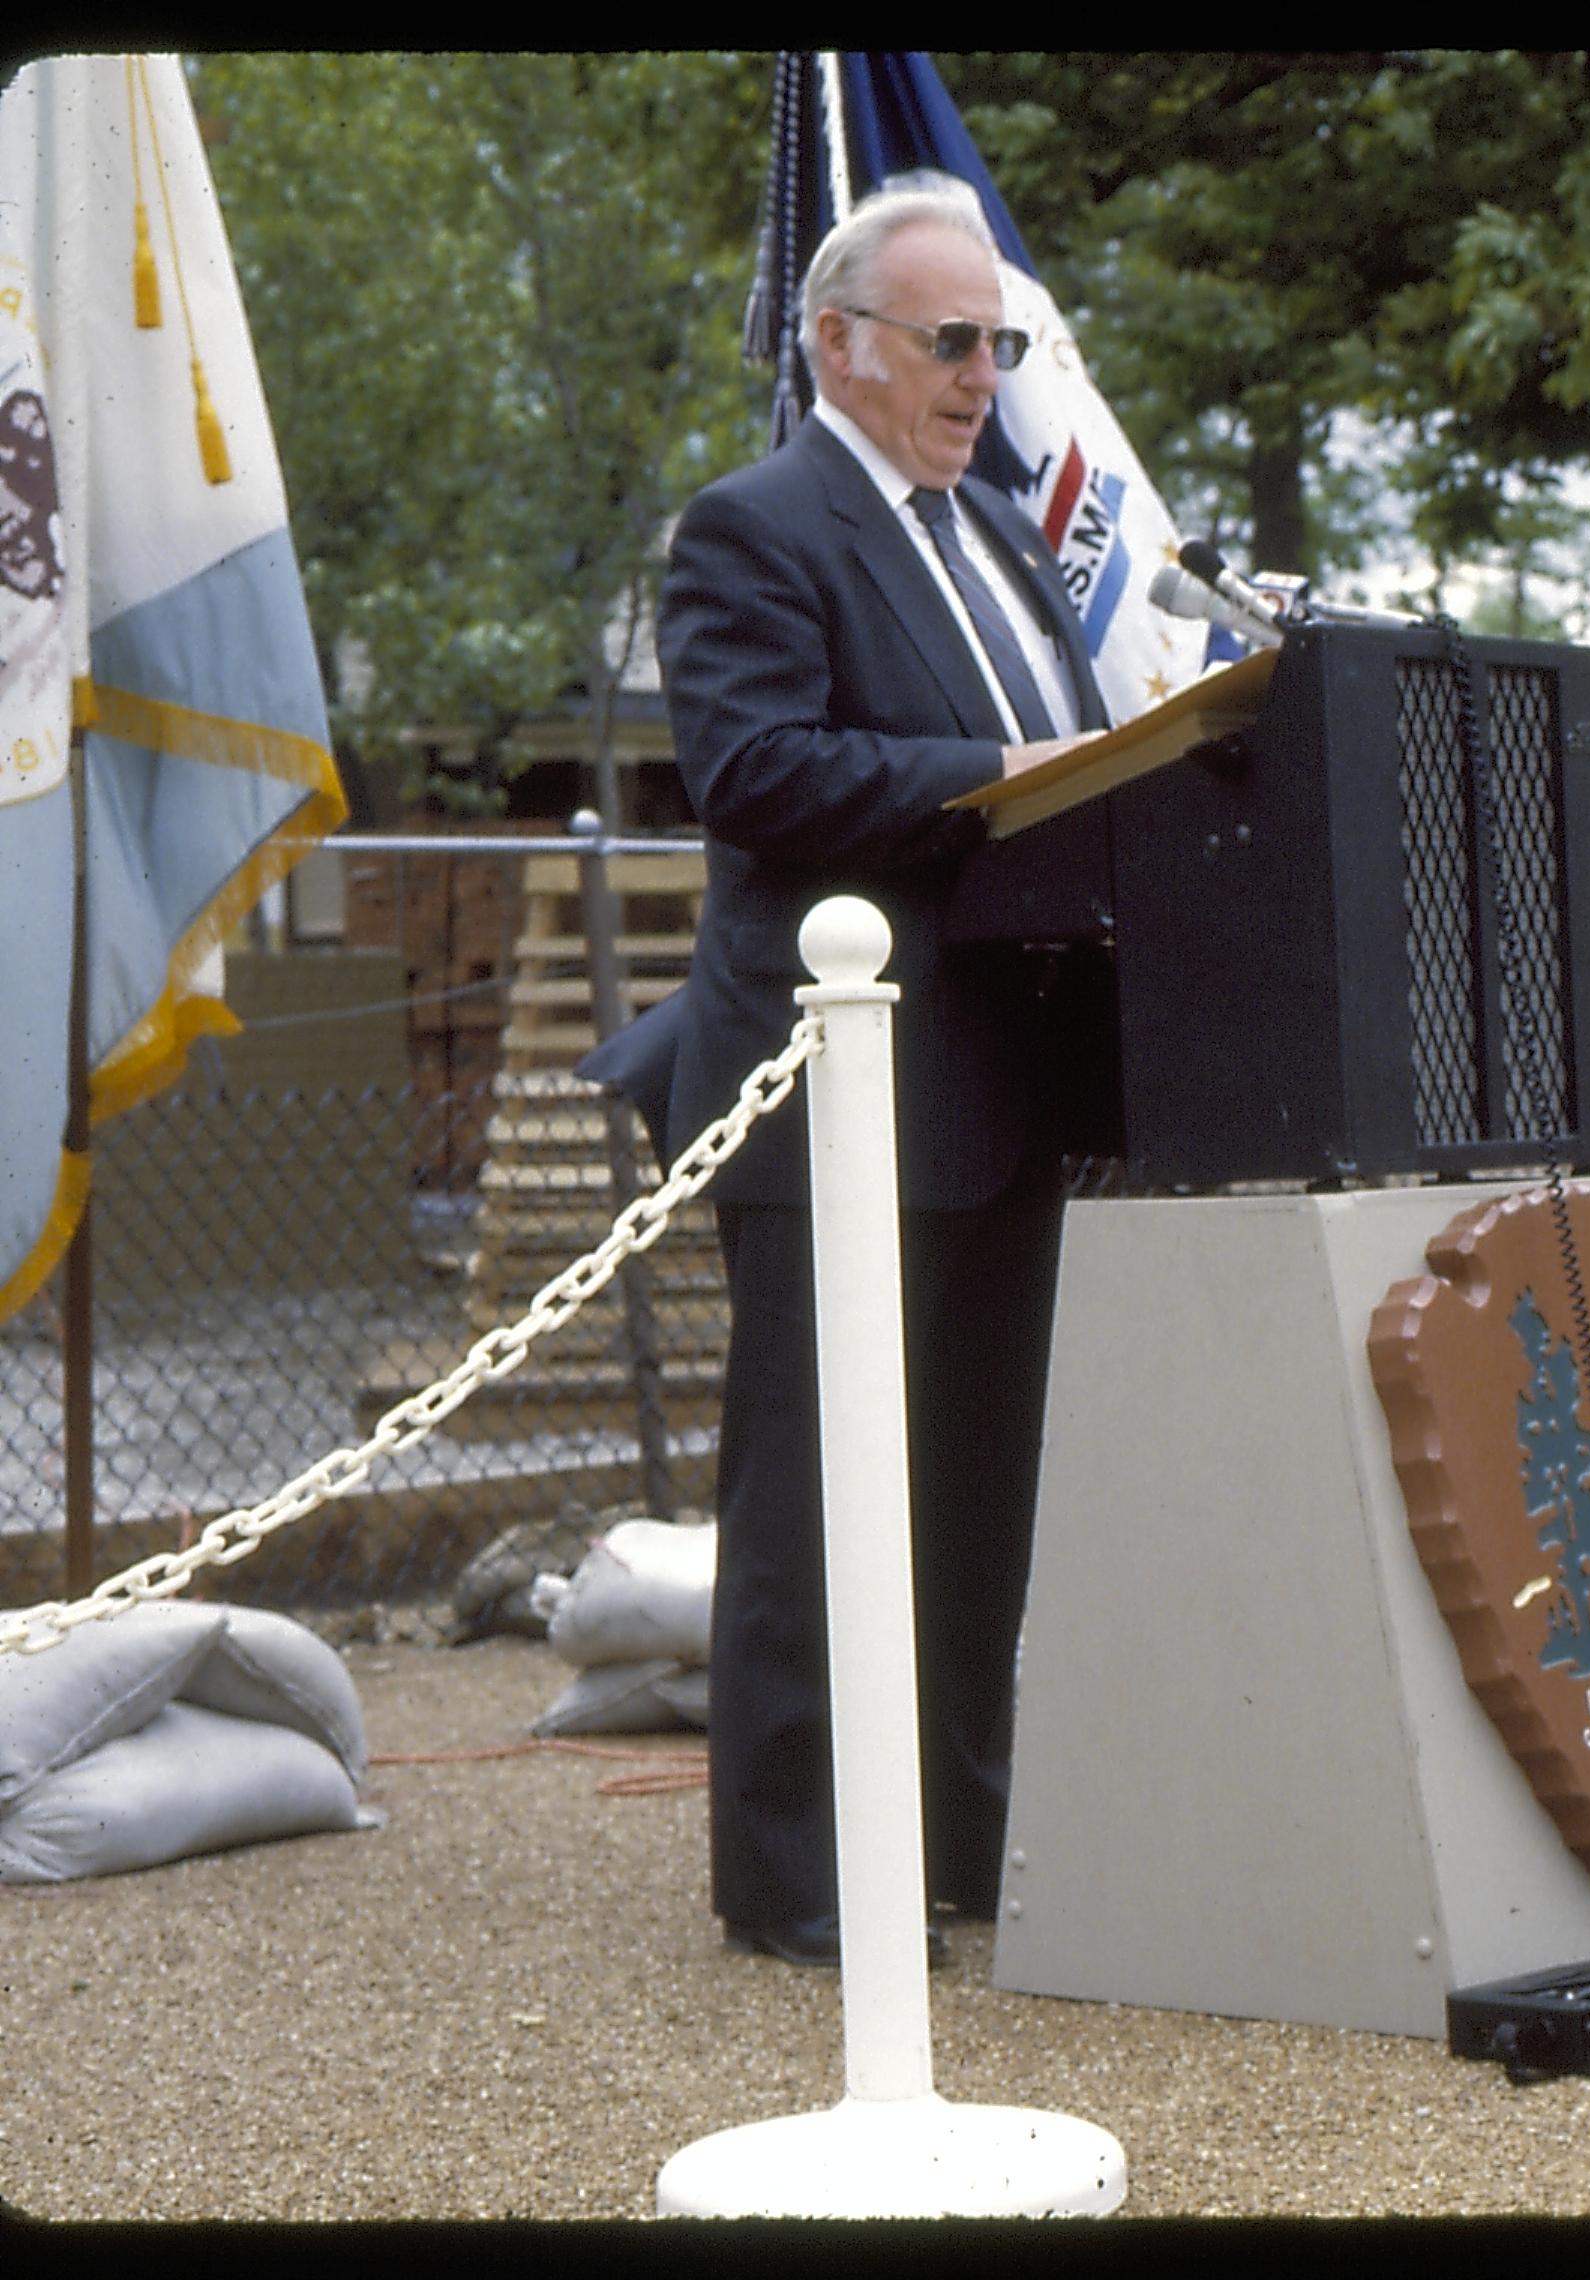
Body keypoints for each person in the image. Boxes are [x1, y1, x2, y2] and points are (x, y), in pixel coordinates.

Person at [635, 178, 1111, 1963]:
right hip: (834, 1086)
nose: (984, 372)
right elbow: (755, 773)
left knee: (983, 1503)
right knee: (820, 1504)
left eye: (1001, 341)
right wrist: (996, 769)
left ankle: (970, 1846)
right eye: (951, 340)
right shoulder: (757, 526)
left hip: (1011, 1091)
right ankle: (802, 1883)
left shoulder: (995, 528)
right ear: (840, 344)